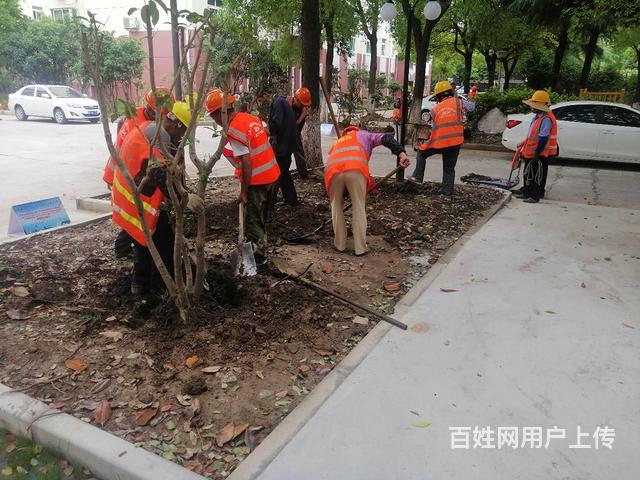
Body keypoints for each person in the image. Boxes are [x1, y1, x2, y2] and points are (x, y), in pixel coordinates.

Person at [111, 101, 193, 295]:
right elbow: (159, 175)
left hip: (127, 196)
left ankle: (139, 287)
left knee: (143, 244)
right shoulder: (160, 137)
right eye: (184, 132)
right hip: (136, 199)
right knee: (164, 244)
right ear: (177, 124)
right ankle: (160, 291)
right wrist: (183, 199)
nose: (183, 138)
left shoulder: (149, 127)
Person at [206, 89, 281, 269]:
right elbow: (266, 133)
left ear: (221, 112)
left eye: (213, 116)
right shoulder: (249, 118)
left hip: (258, 181)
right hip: (273, 174)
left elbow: (247, 163)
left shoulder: (234, 130)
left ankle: (258, 260)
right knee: (261, 217)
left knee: (253, 221)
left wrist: (244, 192)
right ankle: (259, 245)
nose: (214, 120)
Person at [104, 87, 175, 258]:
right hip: (123, 172)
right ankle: (123, 249)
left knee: (133, 216)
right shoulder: (136, 123)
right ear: (151, 110)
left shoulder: (146, 123)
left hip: (129, 172)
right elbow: (124, 152)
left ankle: (125, 250)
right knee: (133, 214)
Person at [325, 126, 410, 256]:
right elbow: (386, 138)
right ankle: (360, 248)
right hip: (355, 168)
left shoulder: (339, 141)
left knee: (336, 207)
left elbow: (334, 161)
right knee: (358, 206)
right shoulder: (365, 135)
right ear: (357, 130)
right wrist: (402, 154)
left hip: (332, 172)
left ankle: (340, 245)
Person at [408, 80, 475, 197]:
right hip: (456, 142)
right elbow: (472, 107)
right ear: (451, 92)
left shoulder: (435, 109)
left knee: (421, 153)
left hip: (440, 142)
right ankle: (447, 194)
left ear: (439, 95)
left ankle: (418, 177)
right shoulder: (459, 103)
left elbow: (432, 125)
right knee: (449, 168)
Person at [258, 87, 299, 206]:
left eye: (261, 100)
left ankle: (270, 202)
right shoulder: (280, 102)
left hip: (283, 145)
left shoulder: (278, 103)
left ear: (266, 94)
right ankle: (291, 199)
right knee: (283, 172)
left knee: (276, 173)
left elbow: (276, 124)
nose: (262, 103)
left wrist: (267, 130)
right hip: (286, 143)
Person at [515, 90, 558, 203]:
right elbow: (532, 135)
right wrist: (523, 143)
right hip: (532, 151)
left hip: (539, 153)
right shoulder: (539, 117)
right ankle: (527, 191)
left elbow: (543, 138)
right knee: (528, 173)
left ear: (540, 106)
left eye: (534, 105)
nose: (531, 107)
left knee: (535, 174)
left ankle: (534, 195)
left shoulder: (546, 119)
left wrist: (537, 153)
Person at [289, 87, 311, 178]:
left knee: (299, 153)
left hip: (296, 133)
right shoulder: (287, 107)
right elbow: (291, 126)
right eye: (302, 104)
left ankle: (303, 174)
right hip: (286, 134)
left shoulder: (303, 106)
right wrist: (302, 116)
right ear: (296, 100)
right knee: (284, 156)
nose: (304, 106)